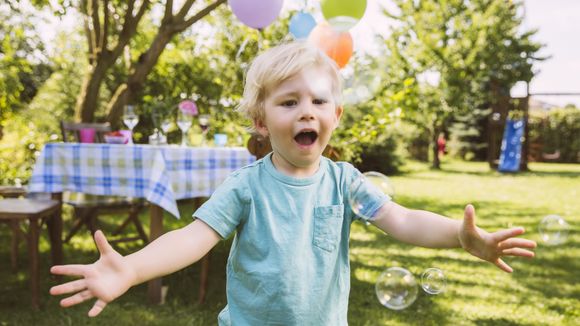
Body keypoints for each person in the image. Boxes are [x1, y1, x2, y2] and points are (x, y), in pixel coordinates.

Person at [50, 41, 536, 325]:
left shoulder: (345, 182)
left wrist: (459, 235)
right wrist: (131, 269)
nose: (307, 110)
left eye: (319, 101)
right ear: (261, 121)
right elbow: (191, 239)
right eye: (288, 102)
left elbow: (402, 220)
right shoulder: (245, 187)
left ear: (336, 116)